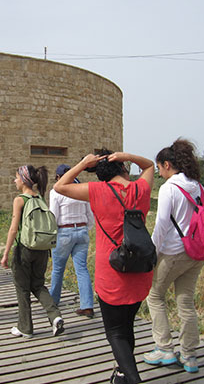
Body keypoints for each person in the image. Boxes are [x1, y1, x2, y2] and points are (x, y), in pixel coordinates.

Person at [53, 150, 154, 384]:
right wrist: (125, 154)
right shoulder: (141, 189)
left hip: (112, 273)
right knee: (127, 326)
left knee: (116, 333)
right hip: (140, 269)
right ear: (123, 168)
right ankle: (122, 374)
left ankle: (133, 378)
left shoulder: (97, 190)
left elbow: (60, 186)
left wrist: (82, 164)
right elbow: (149, 166)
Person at [142, 139, 204, 373]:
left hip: (173, 252)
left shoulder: (169, 188)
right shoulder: (199, 187)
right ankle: (190, 356)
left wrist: (152, 252)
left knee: (155, 295)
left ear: (168, 164)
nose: (159, 173)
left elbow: (161, 225)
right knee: (186, 301)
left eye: (159, 168)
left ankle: (164, 348)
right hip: (197, 252)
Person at [1, 165, 64, 339]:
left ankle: (25, 328)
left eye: (16, 177)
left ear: (23, 179)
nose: (14, 181)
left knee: (22, 288)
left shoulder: (20, 200)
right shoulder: (40, 199)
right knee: (37, 285)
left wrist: (6, 253)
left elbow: (14, 229)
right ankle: (55, 315)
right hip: (43, 249)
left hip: (25, 249)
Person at [49, 164, 95, 318]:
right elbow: (90, 214)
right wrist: (86, 228)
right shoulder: (81, 189)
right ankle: (87, 305)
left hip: (64, 231)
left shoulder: (56, 191)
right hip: (81, 230)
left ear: (58, 176)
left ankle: (53, 300)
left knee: (57, 269)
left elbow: (53, 216)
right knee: (82, 269)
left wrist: (52, 234)